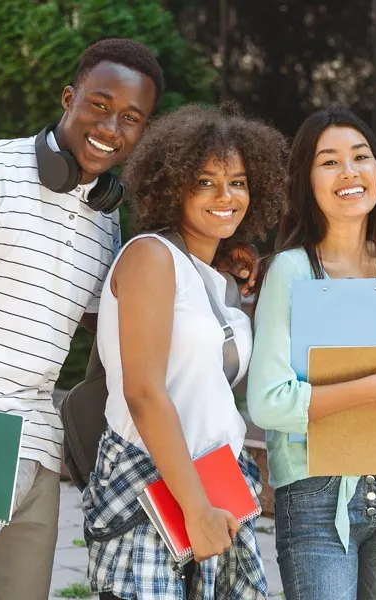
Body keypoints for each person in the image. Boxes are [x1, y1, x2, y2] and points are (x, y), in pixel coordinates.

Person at [247, 106, 376, 600]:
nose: (349, 172)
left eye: (361, 157)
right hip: (316, 487)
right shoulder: (292, 272)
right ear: (306, 179)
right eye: (329, 161)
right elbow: (268, 402)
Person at [81, 103, 286, 600]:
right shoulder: (151, 256)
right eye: (206, 181)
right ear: (172, 186)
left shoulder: (215, 277)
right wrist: (195, 508)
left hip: (216, 488)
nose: (226, 196)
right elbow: (144, 394)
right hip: (155, 490)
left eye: (237, 181)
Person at [0, 38, 162, 600]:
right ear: (69, 97)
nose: (111, 127)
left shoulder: (105, 220)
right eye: (99, 105)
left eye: (131, 118)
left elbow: (109, 327)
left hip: (39, 445)